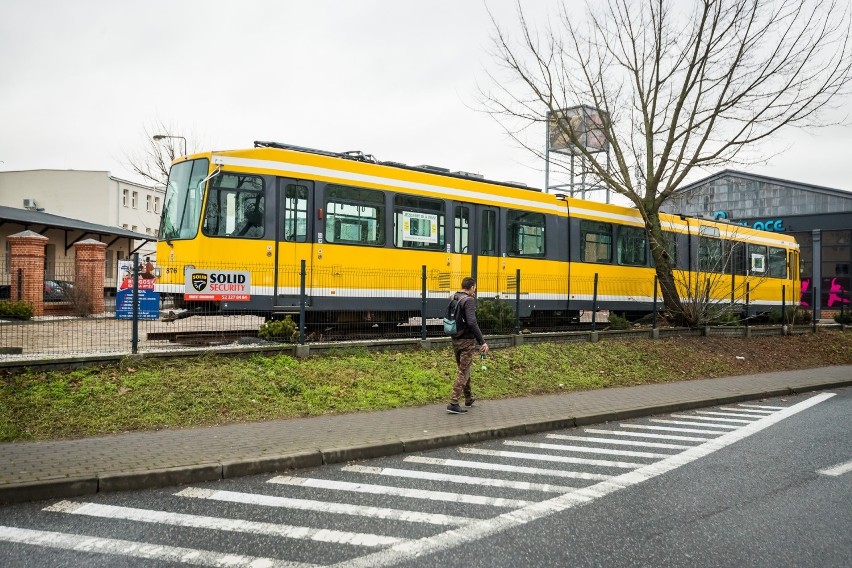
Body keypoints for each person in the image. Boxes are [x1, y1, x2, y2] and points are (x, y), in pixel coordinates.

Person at [447, 276, 489, 414]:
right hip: (466, 341)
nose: (475, 289)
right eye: (475, 287)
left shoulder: (454, 297)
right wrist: (482, 341)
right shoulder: (469, 300)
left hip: (455, 338)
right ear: (471, 287)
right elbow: (472, 322)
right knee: (463, 371)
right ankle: (453, 402)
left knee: (464, 368)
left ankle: (468, 398)